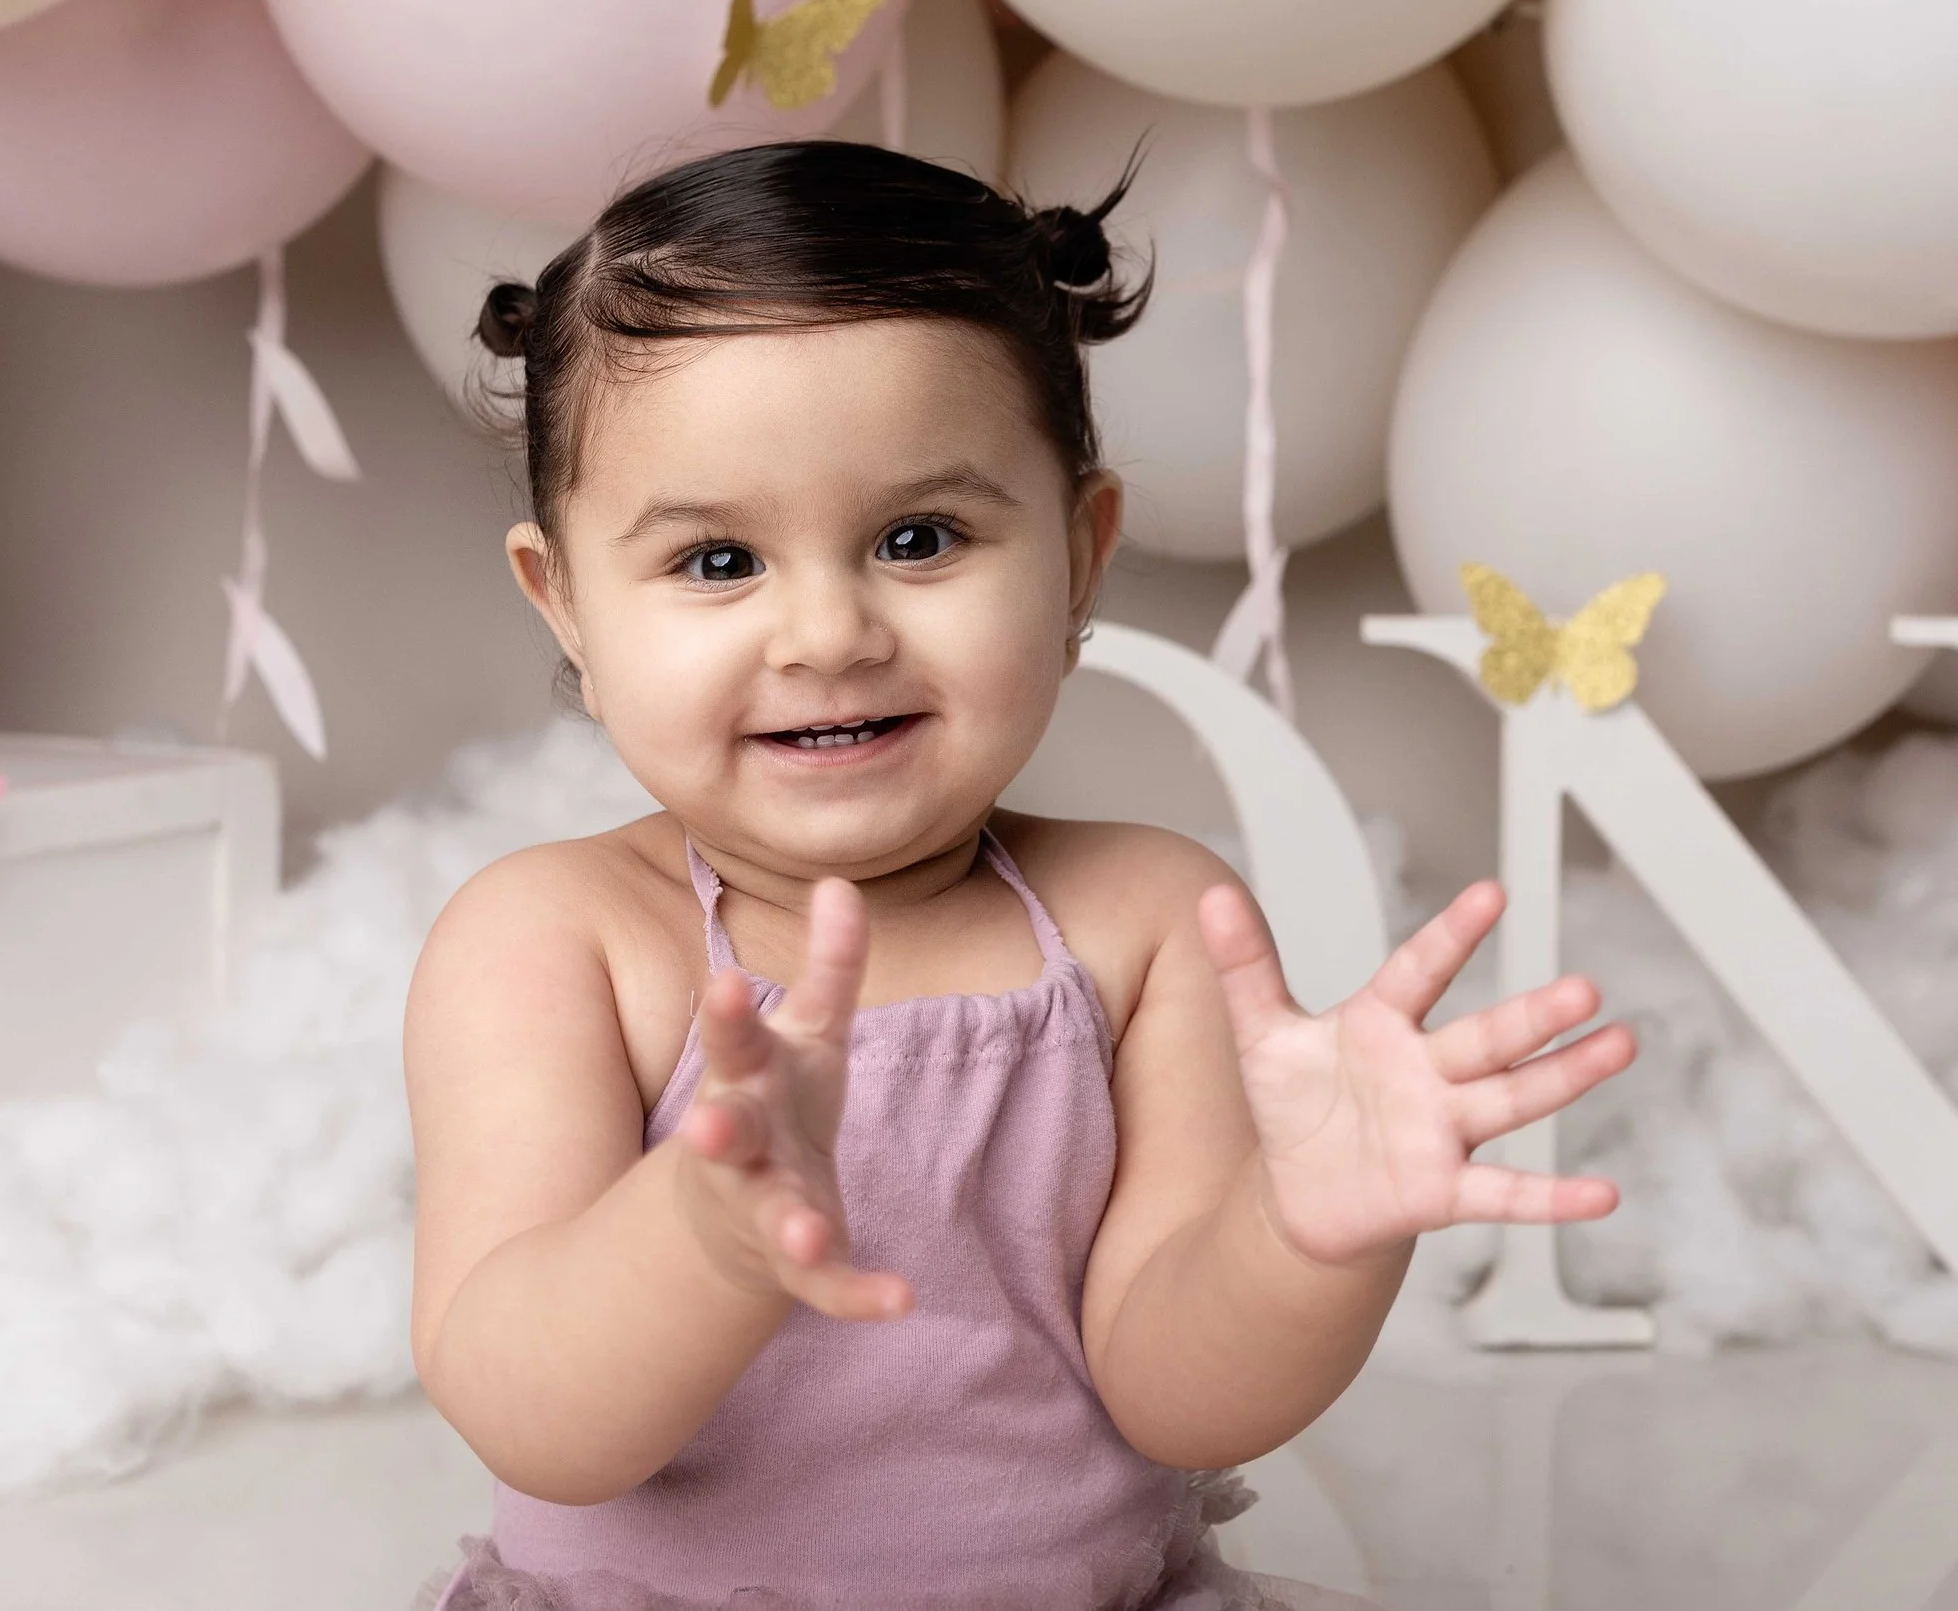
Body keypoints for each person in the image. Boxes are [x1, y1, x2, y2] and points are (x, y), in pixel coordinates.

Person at [404, 140, 1633, 1611]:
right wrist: (697, 1234)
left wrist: (1310, 1233)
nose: (827, 632)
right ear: (571, 604)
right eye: (719, 562)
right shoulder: (555, 943)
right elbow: (535, 1415)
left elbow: (1182, 1391)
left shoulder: (1148, 924)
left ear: (1079, 555)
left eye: (918, 538)